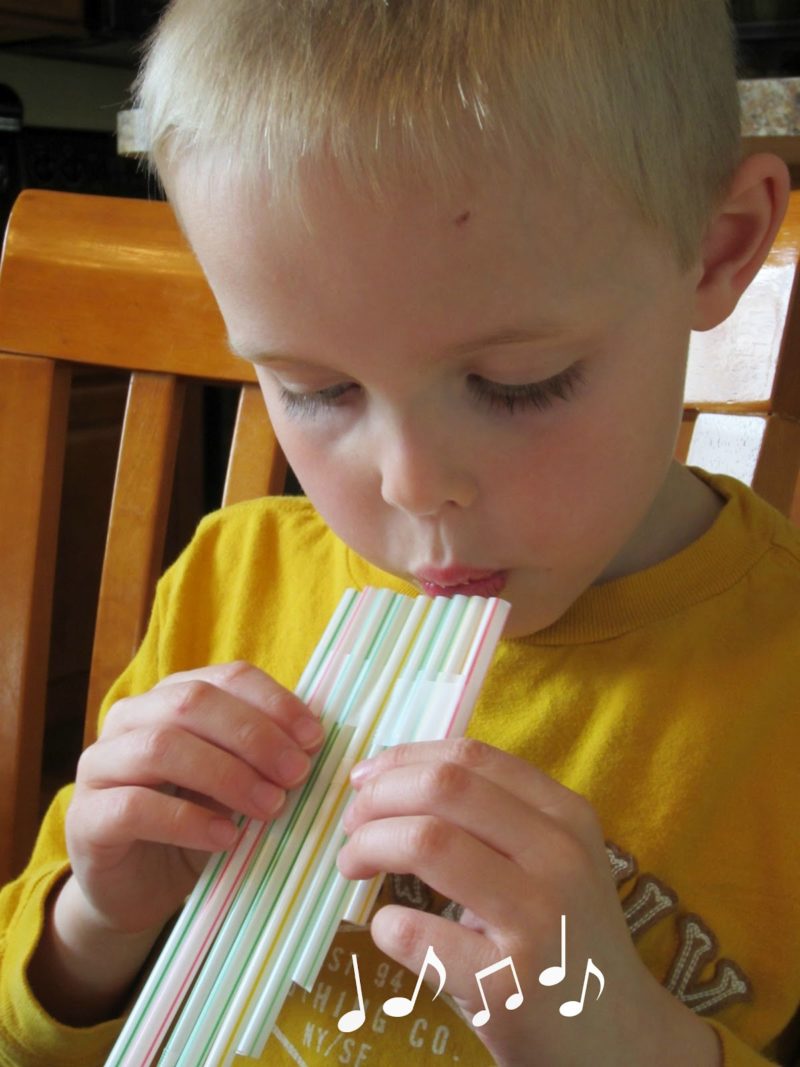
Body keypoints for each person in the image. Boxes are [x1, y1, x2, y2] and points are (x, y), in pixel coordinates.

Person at [1, 1, 797, 1064]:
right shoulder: (229, 581)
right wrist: (98, 923)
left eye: (517, 382)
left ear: (716, 251)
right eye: (314, 388)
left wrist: (635, 1040)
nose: (415, 488)